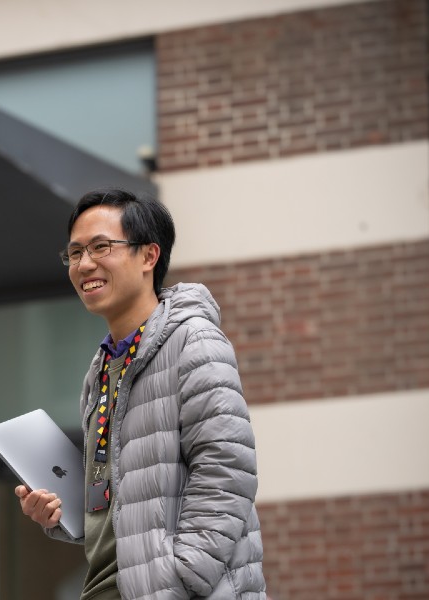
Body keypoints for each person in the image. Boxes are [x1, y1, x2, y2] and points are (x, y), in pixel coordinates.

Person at [15, 188, 265, 599]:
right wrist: (59, 515)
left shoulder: (194, 340)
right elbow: (123, 503)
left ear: (149, 256)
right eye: (74, 253)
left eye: (100, 247)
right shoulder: (102, 368)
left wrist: (181, 578)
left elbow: (227, 471)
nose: (84, 264)